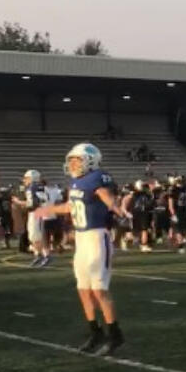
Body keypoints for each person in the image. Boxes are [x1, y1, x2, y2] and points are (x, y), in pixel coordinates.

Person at [35, 143, 128, 356]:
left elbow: (105, 195)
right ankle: (95, 332)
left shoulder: (98, 177)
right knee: (83, 290)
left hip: (97, 237)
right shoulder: (76, 181)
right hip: (82, 239)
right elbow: (70, 207)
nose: (73, 164)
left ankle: (115, 334)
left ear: (90, 160)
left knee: (99, 290)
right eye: (72, 160)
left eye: (77, 160)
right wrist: (48, 209)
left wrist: (115, 206)